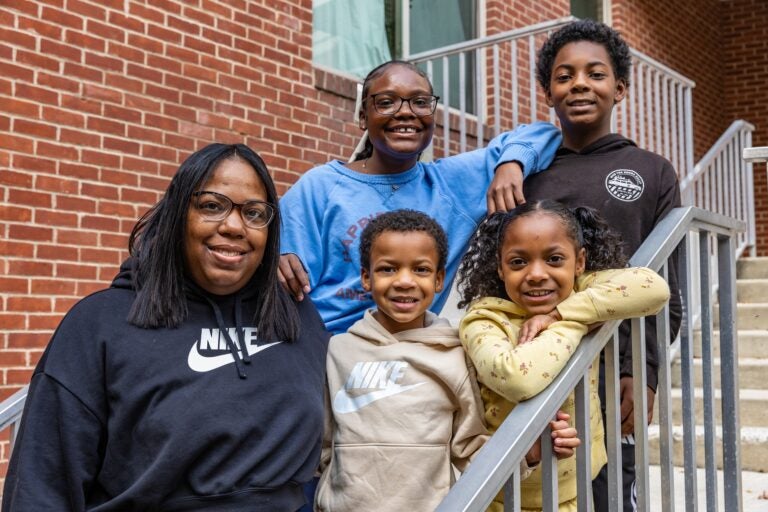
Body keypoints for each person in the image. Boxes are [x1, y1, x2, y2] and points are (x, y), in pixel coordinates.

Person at [2, 144, 329, 511]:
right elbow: (42, 485)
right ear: (177, 215)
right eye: (212, 205)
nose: (234, 226)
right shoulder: (101, 324)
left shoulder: (296, 317)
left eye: (254, 213)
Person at [315, 209, 580, 512]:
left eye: (421, 270)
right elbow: (321, 442)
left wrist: (530, 454)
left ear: (439, 279)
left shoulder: (455, 352)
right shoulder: (338, 350)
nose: (404, 281)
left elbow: (468, 449)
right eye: (388, 269)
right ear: (366, 277)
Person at [278, 59, 562, 335]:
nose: (405, 112)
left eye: (420, 102)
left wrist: (511, 163)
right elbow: (277, 266)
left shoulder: (450, 184)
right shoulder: (320, 186)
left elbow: (544, 133)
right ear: (363, 117)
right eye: (387, 102)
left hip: (410, 352)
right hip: (328, 348)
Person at [524, 19, 682, 511]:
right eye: (564, 75)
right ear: (547, 92)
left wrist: (645, 370)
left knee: (609, 490)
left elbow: (666, 285)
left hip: (614, 364)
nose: (579, 85)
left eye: (595, 74)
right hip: (535, 361)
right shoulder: (529, 172)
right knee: (538, 489)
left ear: (620, 88)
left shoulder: (651, 171)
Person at [457, 200, 670, 511]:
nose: (537, 274)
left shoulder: (577, 293)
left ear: (579, 262)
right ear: (501, 268)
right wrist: (577, 322)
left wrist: (559, 314)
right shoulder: (485, 319)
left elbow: (655, 289)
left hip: (575, 491)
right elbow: (518, 377)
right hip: (503, 495)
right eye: (518, 263)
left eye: (555, 259)